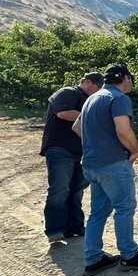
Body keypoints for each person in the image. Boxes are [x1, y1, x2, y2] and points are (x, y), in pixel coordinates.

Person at [72, 64, 138, 276]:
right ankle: (129, 255)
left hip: (92, 164)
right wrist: (135, 150)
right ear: (126, 78)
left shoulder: (92, 98)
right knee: (124, 208)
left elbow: (76, 127)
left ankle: (93, 258)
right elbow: (123, 130)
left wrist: (97, 144)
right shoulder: (119, 98)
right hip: (113, 164)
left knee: (98, 212)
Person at [40, 72, 104, 243]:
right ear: (88, 82)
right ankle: (55, 229)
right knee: (60, 188)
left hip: (82, 150)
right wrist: (94, 117)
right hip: (60, 148)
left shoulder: (92, 99)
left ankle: (75, 226)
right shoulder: (68, 92)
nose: (100, 91)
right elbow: (63, 113)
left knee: (77, 189)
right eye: (98, 87)